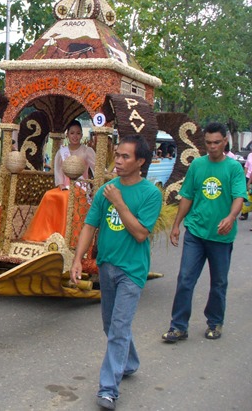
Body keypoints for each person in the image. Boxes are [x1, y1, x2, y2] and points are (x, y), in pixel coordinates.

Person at [70, 134, 162, 410]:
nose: (118, 161)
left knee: (119, 328)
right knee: (110, 325)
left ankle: (108, 389)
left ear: (140, 162)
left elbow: (140, 233)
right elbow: (90, 225)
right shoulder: (106, 189)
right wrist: (77, 259)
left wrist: (120, 203)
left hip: (132, 271)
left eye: (125, 157)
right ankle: (129, 362)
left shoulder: (150, 194)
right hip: (106, 266)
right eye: (117, 155)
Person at [162, 122, 247, 344]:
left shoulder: (234, 168)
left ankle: (214, 322)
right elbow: (187, 196)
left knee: (218, 283)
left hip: (221, 237)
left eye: (216, 142)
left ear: (225, 141)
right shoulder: (197, 166)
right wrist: (176, 225)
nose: (212, 147)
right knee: (185, 279)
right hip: (196, 234)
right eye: (208, 143)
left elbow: (239, 196)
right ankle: (178, 326)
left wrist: (230, 217)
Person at [23, 120, 96, 242]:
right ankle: (47, 233)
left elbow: (97, 170)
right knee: (49, 195)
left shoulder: (87, 151)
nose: (75, 136)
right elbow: (58, 171)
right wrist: (61, 184)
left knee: (66, 198)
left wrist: (94, 187)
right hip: (64, 187)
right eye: (72, 133)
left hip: (81, 187)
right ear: (67, 135)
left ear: (82, 135)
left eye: (78, 133)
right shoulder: (61, 152)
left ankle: (67, 235)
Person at [241, 151, 252, 221]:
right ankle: (244, 213)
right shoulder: (250, 155)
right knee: (246, 196)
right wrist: (243, 177)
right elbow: (246, 166)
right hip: (248, 177)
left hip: (251, 178)